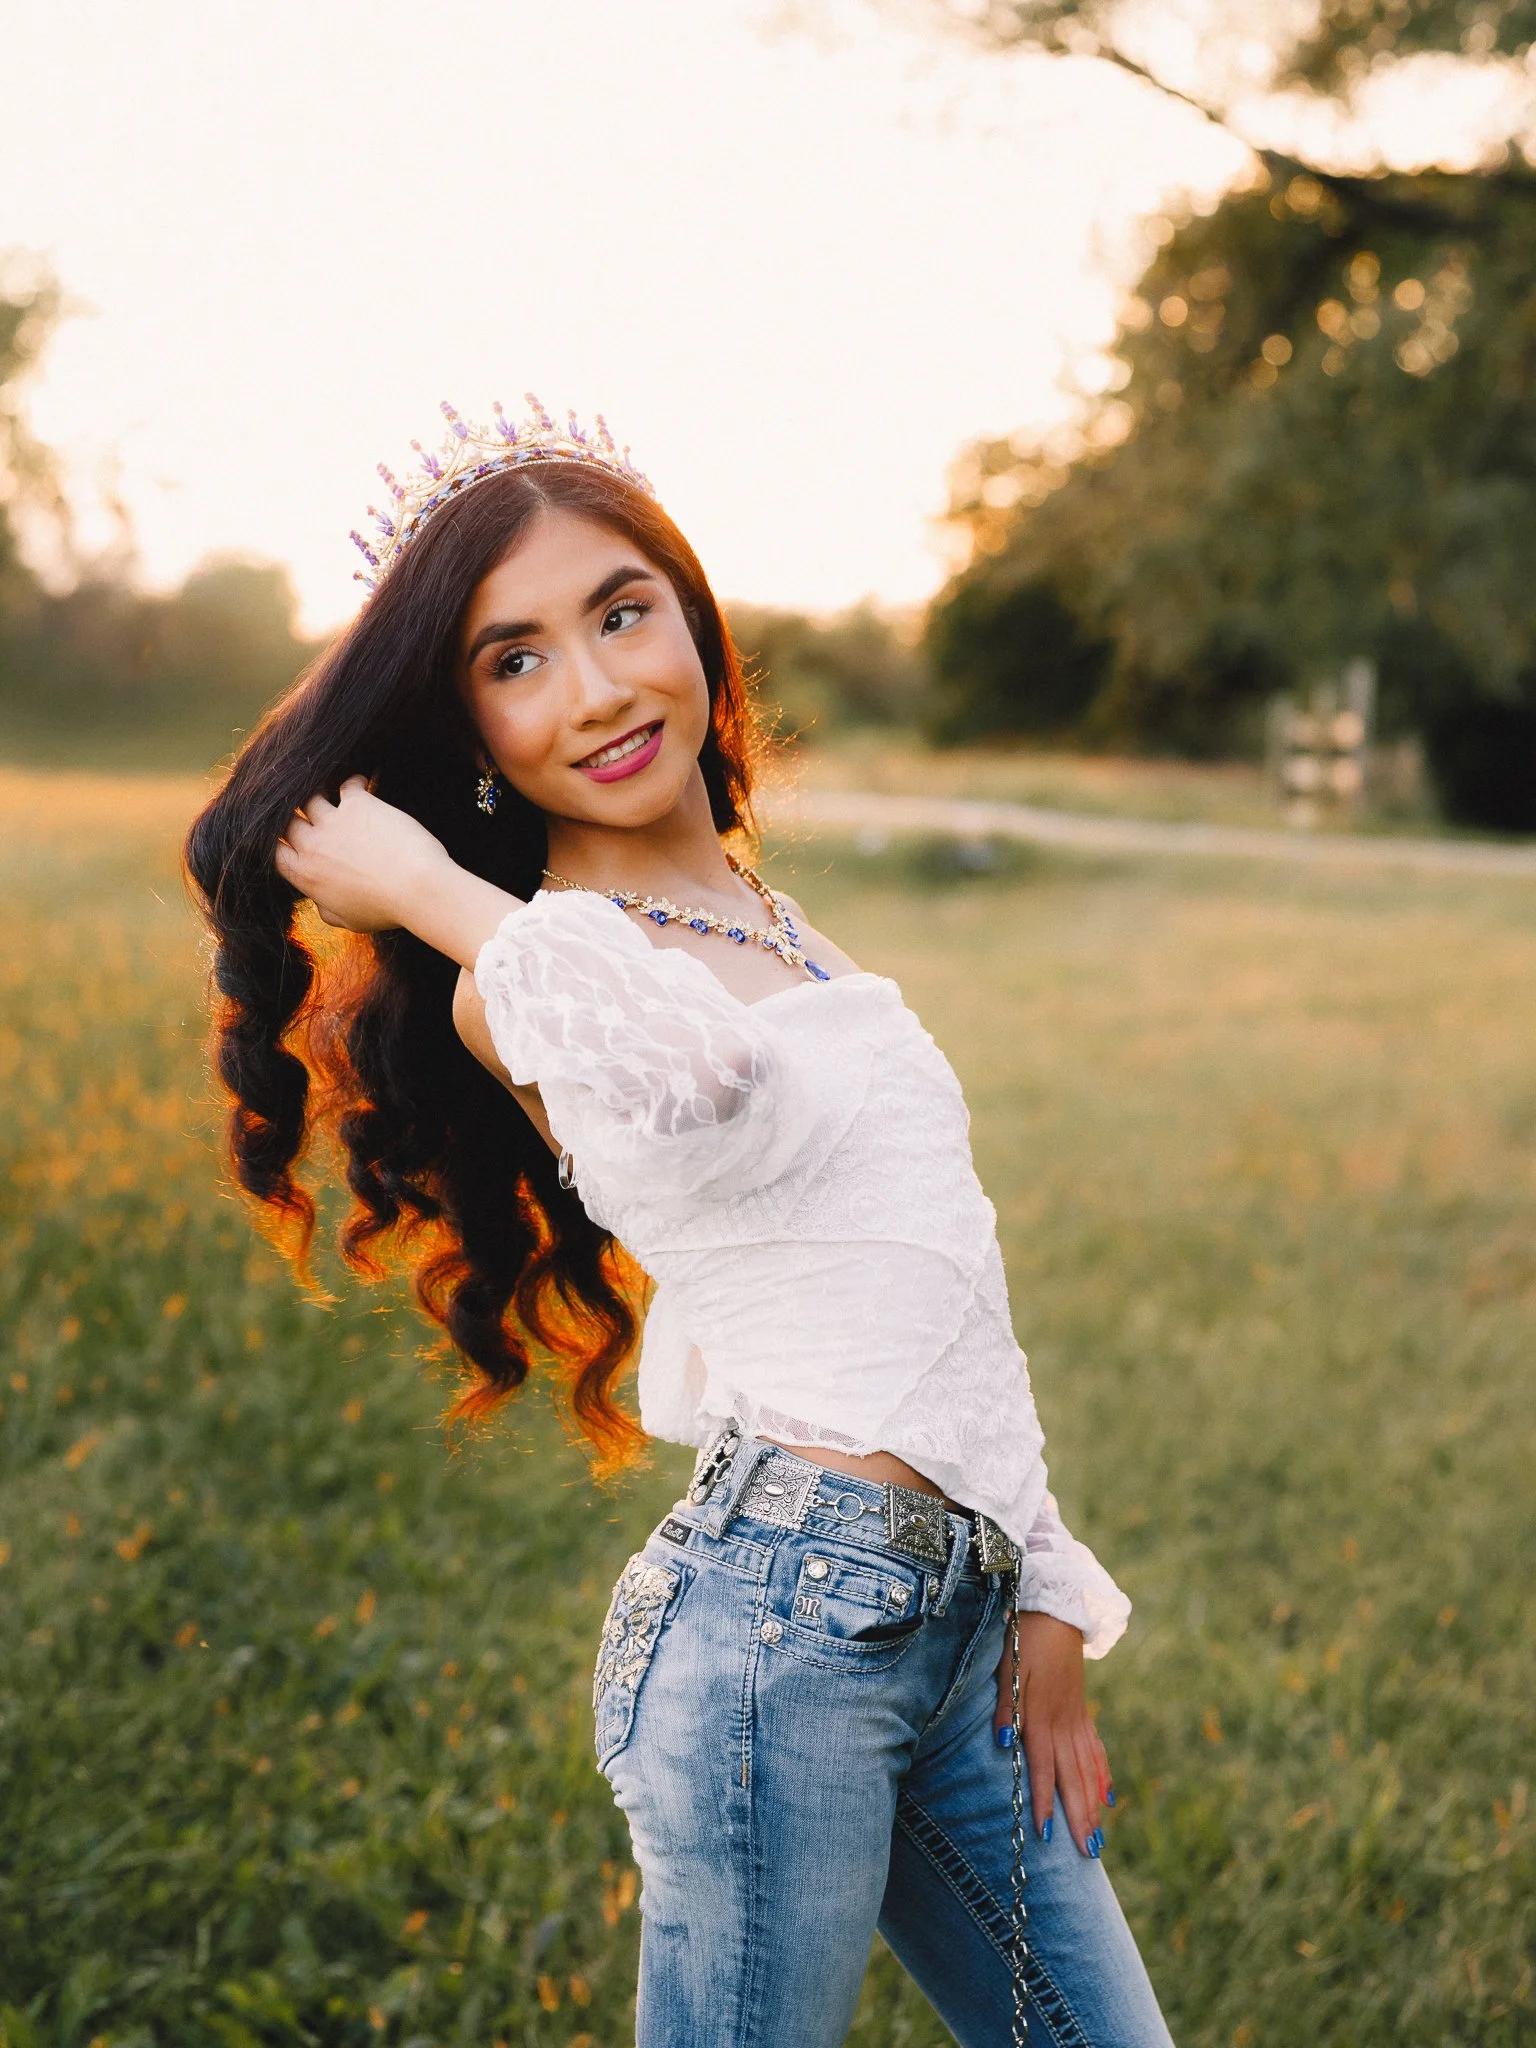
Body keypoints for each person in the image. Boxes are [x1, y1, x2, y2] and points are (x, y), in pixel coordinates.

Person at [185, 399, 1173, 2047]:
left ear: (694, 619)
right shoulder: (541, 970)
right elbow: (697, 1079)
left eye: (621, 612)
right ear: (472, 733)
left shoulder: (772, 926)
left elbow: (940, 1275)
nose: (595, 690)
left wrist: (1048, 1586)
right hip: (778, 1635)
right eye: (515, 661)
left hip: (952, 1625)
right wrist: (430, 891)